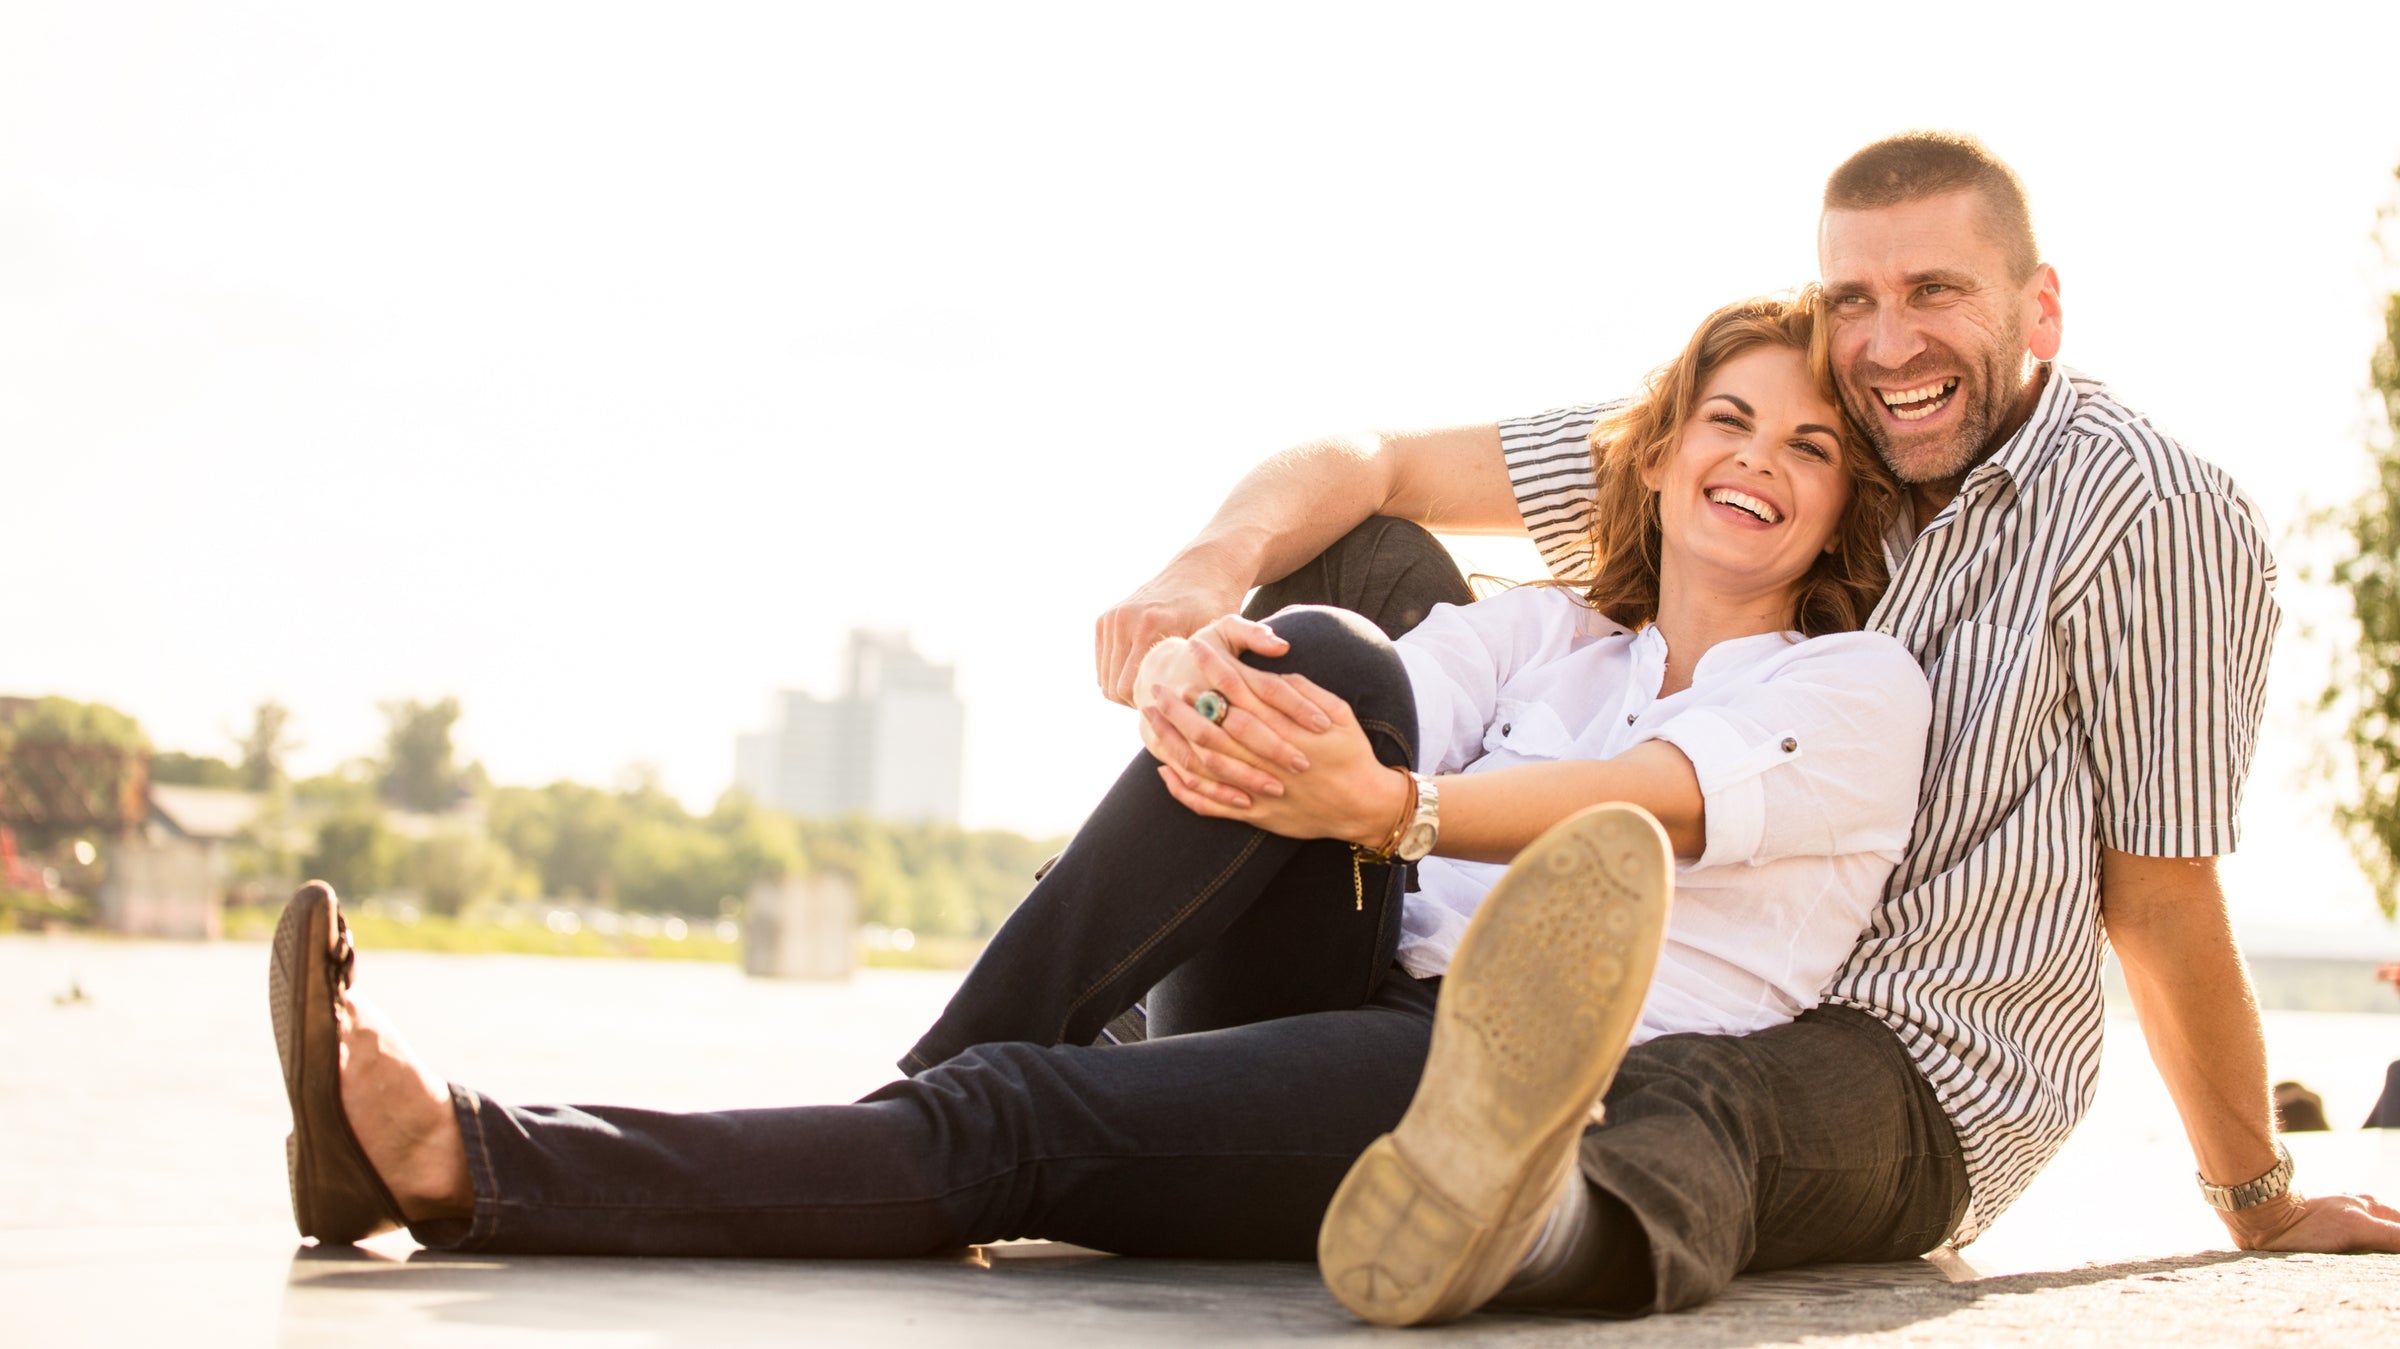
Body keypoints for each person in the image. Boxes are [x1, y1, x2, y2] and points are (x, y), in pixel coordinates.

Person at [272, 296, 1936, 1316]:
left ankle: (462, 1160)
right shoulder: (1554, 634)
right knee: (1330, 645)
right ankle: (897, 1126)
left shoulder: (1853, 689)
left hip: (1491, 1083)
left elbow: (1637, 807)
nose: (1759, 459)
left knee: (1024, 1118)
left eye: (1806, 446)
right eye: (1727, 419)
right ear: (1650, 458)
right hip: (1343, 980)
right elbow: (1322, 717)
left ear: (1840, 502)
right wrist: (1199, 681)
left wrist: (1395, 810)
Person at [1107, 130, 2400, 1320]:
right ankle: (1189, 1027)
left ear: (2040, 308)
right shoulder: (1810, 436)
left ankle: (1516, 1221)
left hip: (1904, 1041)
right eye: (1856, 299)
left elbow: (2158, 891)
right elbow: (1381, 459)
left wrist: (2257, 1197)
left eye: (1936, 292)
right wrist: (1204, 572)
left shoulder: (2150, 511)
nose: (1890, 343)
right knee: (1360, 573)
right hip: (1686, 950)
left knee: (1682, 1100)